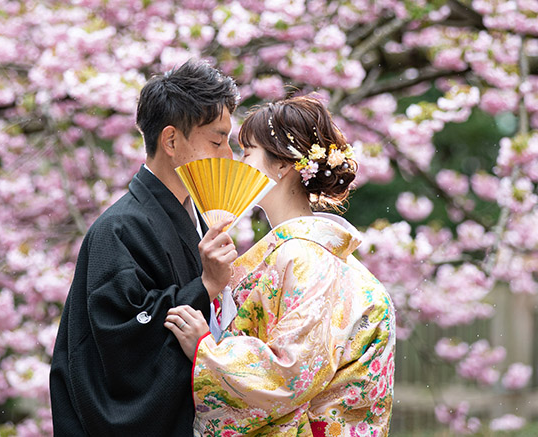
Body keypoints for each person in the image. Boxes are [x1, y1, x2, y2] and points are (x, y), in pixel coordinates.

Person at [165, 96, 396, 436]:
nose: (234, 161)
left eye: (247, 152)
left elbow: (292, 370)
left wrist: (207, 351)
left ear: (283, 165)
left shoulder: (306, 257)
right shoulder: (308, 252)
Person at [50, 61, 241, 436]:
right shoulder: (118, 229)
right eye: (217, 141)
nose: (229, 155)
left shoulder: (198, 219)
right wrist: (204, 287)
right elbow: (121, 344)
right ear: (171, 141)